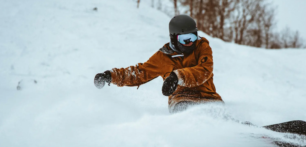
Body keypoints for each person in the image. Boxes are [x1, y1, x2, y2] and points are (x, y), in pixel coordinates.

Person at [94, 15, 223, 113]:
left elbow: (204, 71)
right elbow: (140, 73)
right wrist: (110, 76)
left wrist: (177, 77)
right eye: (185, 39)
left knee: (217, 113)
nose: (190, 42)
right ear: (173, 38)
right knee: (190, 113)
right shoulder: (164, 57)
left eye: (193, 37)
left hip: (209, 98)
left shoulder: (202, 47)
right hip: (182, 100)